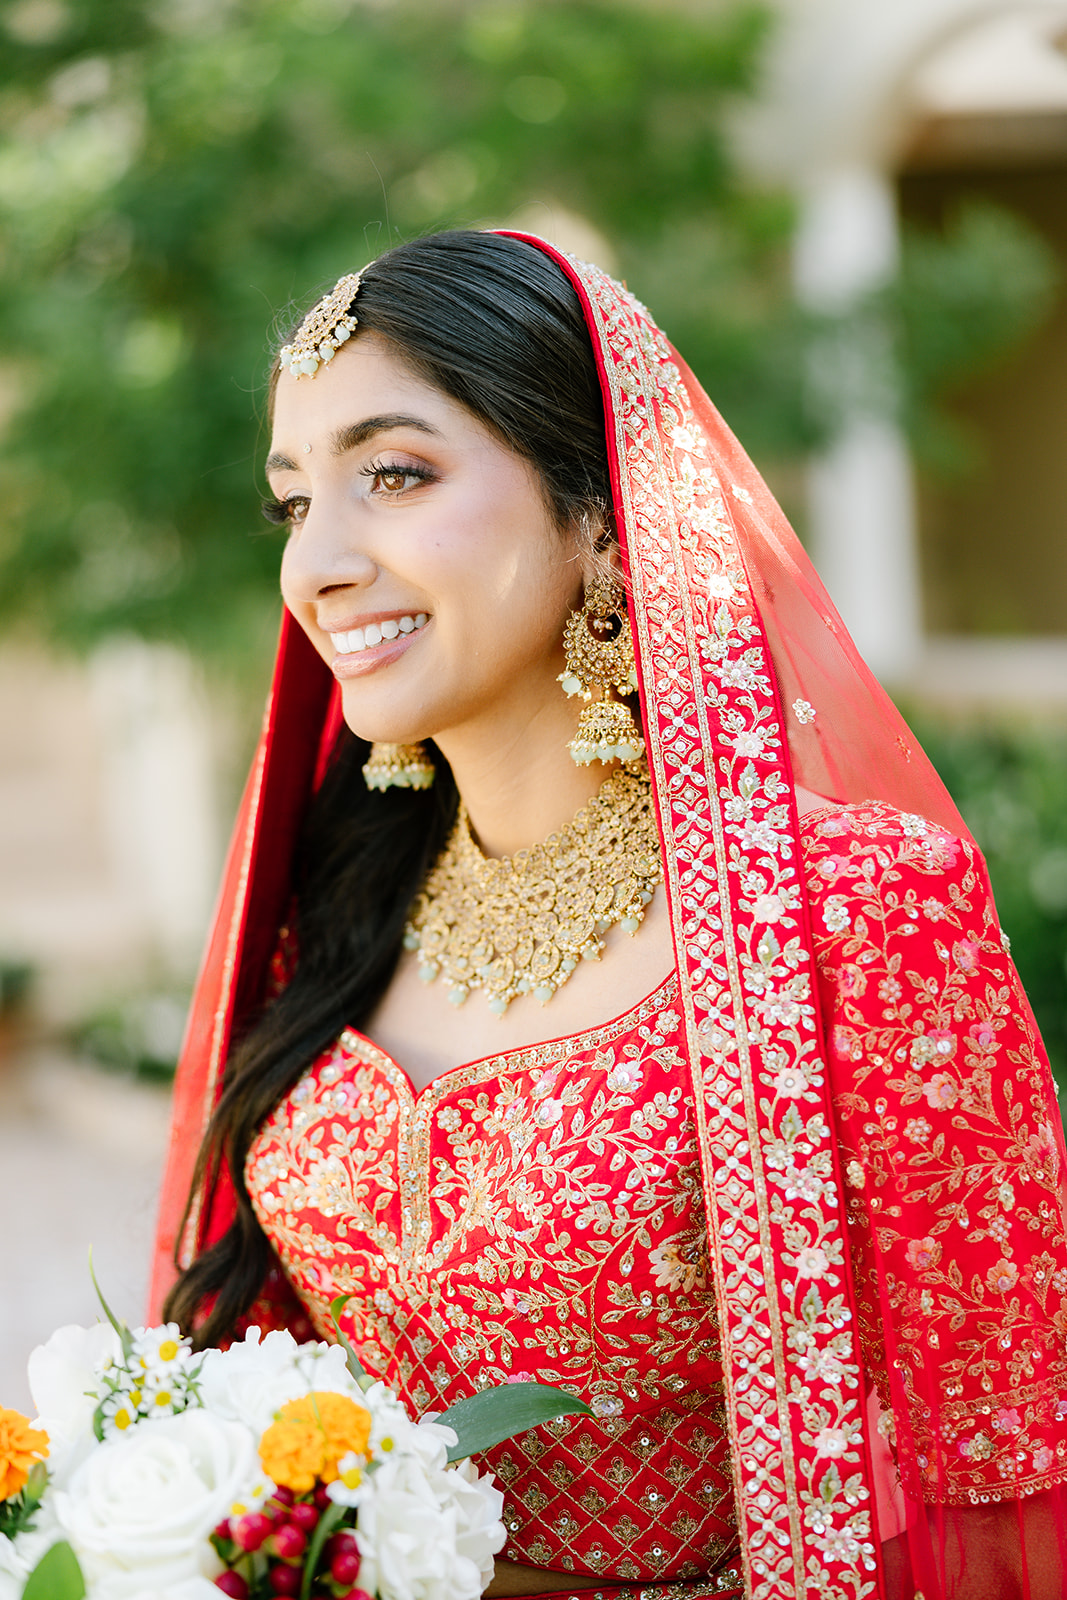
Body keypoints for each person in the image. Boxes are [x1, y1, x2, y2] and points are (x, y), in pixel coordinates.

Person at [151, 230, 1067, 1599]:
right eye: (294, 502)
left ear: (599, 508)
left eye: (393, 475)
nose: (318, 565)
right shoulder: (327, 920)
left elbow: (1001, 1471)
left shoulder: (852, 912)